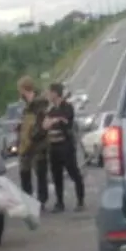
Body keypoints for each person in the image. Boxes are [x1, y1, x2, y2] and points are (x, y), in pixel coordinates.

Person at [43, 82, 85, 212]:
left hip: (65, 146)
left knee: (73, 173)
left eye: (49, 92)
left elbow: (66, 121)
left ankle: (80, 201)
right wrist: (55, 120)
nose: (48, 95)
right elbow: (45, 125)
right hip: (53, 146)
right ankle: (59, 202)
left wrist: (56, 120)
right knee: (56, 175)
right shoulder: (51, 110)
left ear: (55, 93)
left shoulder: (67, 107)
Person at [16, 76, 49, 207]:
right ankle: (28, 198)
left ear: (24, 89)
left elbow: (41, 125)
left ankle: (42, 200)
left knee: (40, 173)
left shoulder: (40, 104)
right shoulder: (27, 107)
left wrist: (34, 135)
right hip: (26, 145)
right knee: (24, 171)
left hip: (38, 144)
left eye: (20, 90)